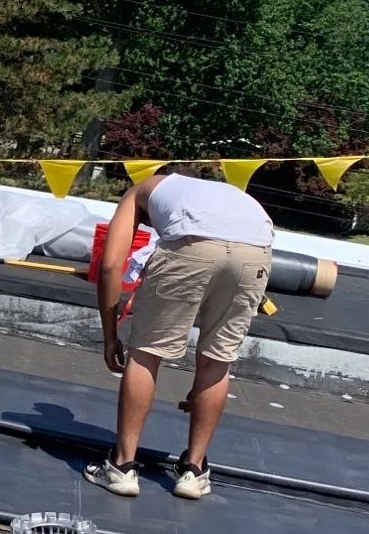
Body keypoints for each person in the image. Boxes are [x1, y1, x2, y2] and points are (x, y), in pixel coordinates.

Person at [86, 168, 273, 499]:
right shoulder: (226, 193)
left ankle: (122, 467)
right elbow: (229, 252)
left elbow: (110, 266)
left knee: (144, 353)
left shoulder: (143, 189)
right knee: (217, 362)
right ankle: (193, 472)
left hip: (192, 247)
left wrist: (110, 336)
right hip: (256, 251)